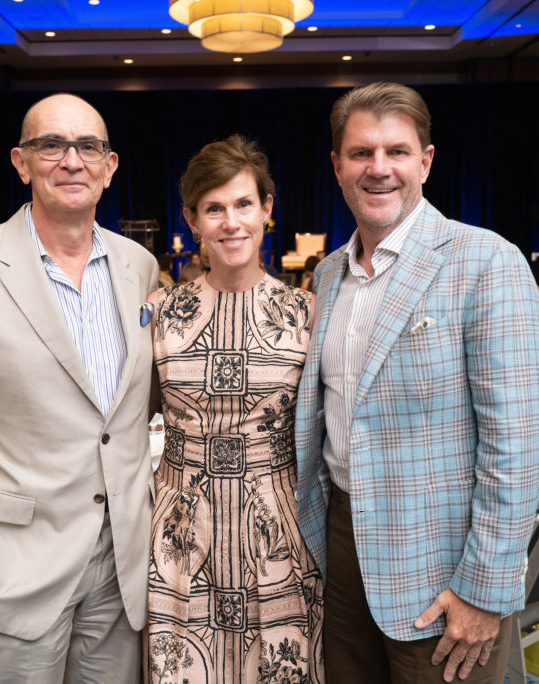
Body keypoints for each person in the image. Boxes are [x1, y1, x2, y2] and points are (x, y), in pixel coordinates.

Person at [295, 82, 539, 684]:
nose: (379, 168)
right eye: (360, 153)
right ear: (337, 167)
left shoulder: (487, 261)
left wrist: (485, 590)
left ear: (426, 161)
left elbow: (516, 446)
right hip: (341, 547)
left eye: (397, 151)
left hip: (442, 571)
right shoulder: (329, 273)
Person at [0, 93, 159, 683]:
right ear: (21, 162)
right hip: (17, 564)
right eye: (52, 145)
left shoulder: (138, 266)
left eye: (88, 147)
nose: (72, 160)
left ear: (110, 166)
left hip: (122, 559)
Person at [146, 135, 323, 683]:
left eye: (244, 204)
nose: (231, 222)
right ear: (192, 218)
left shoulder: (306, 312)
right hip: (181, 536)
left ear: (267, 210)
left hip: (276, 530)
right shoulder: (160, 312)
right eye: (214, 208)